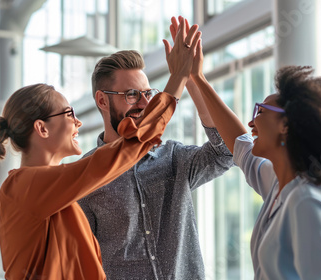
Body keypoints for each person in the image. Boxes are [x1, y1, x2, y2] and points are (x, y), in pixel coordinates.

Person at [0, 18, 199, 280]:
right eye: (69, 113)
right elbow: (120, 155)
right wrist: (177, 79)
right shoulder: (24, 187)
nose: (78, 122)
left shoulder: (58, 193)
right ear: (42, 129)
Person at [187, 33, 321, 279]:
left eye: (261, 111)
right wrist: (196, 78)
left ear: (285, 124)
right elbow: (239, 143)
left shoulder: (308, 201)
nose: (251, 122)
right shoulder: (280, 185)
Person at [77, 16, 234, 279]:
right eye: (131, 95)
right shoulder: (86, 176)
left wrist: (193, 78)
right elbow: (84, 261)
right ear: (102, 101)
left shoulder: (173, 157)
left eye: (147, 93)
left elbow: (226, 152)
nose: (143, 103)